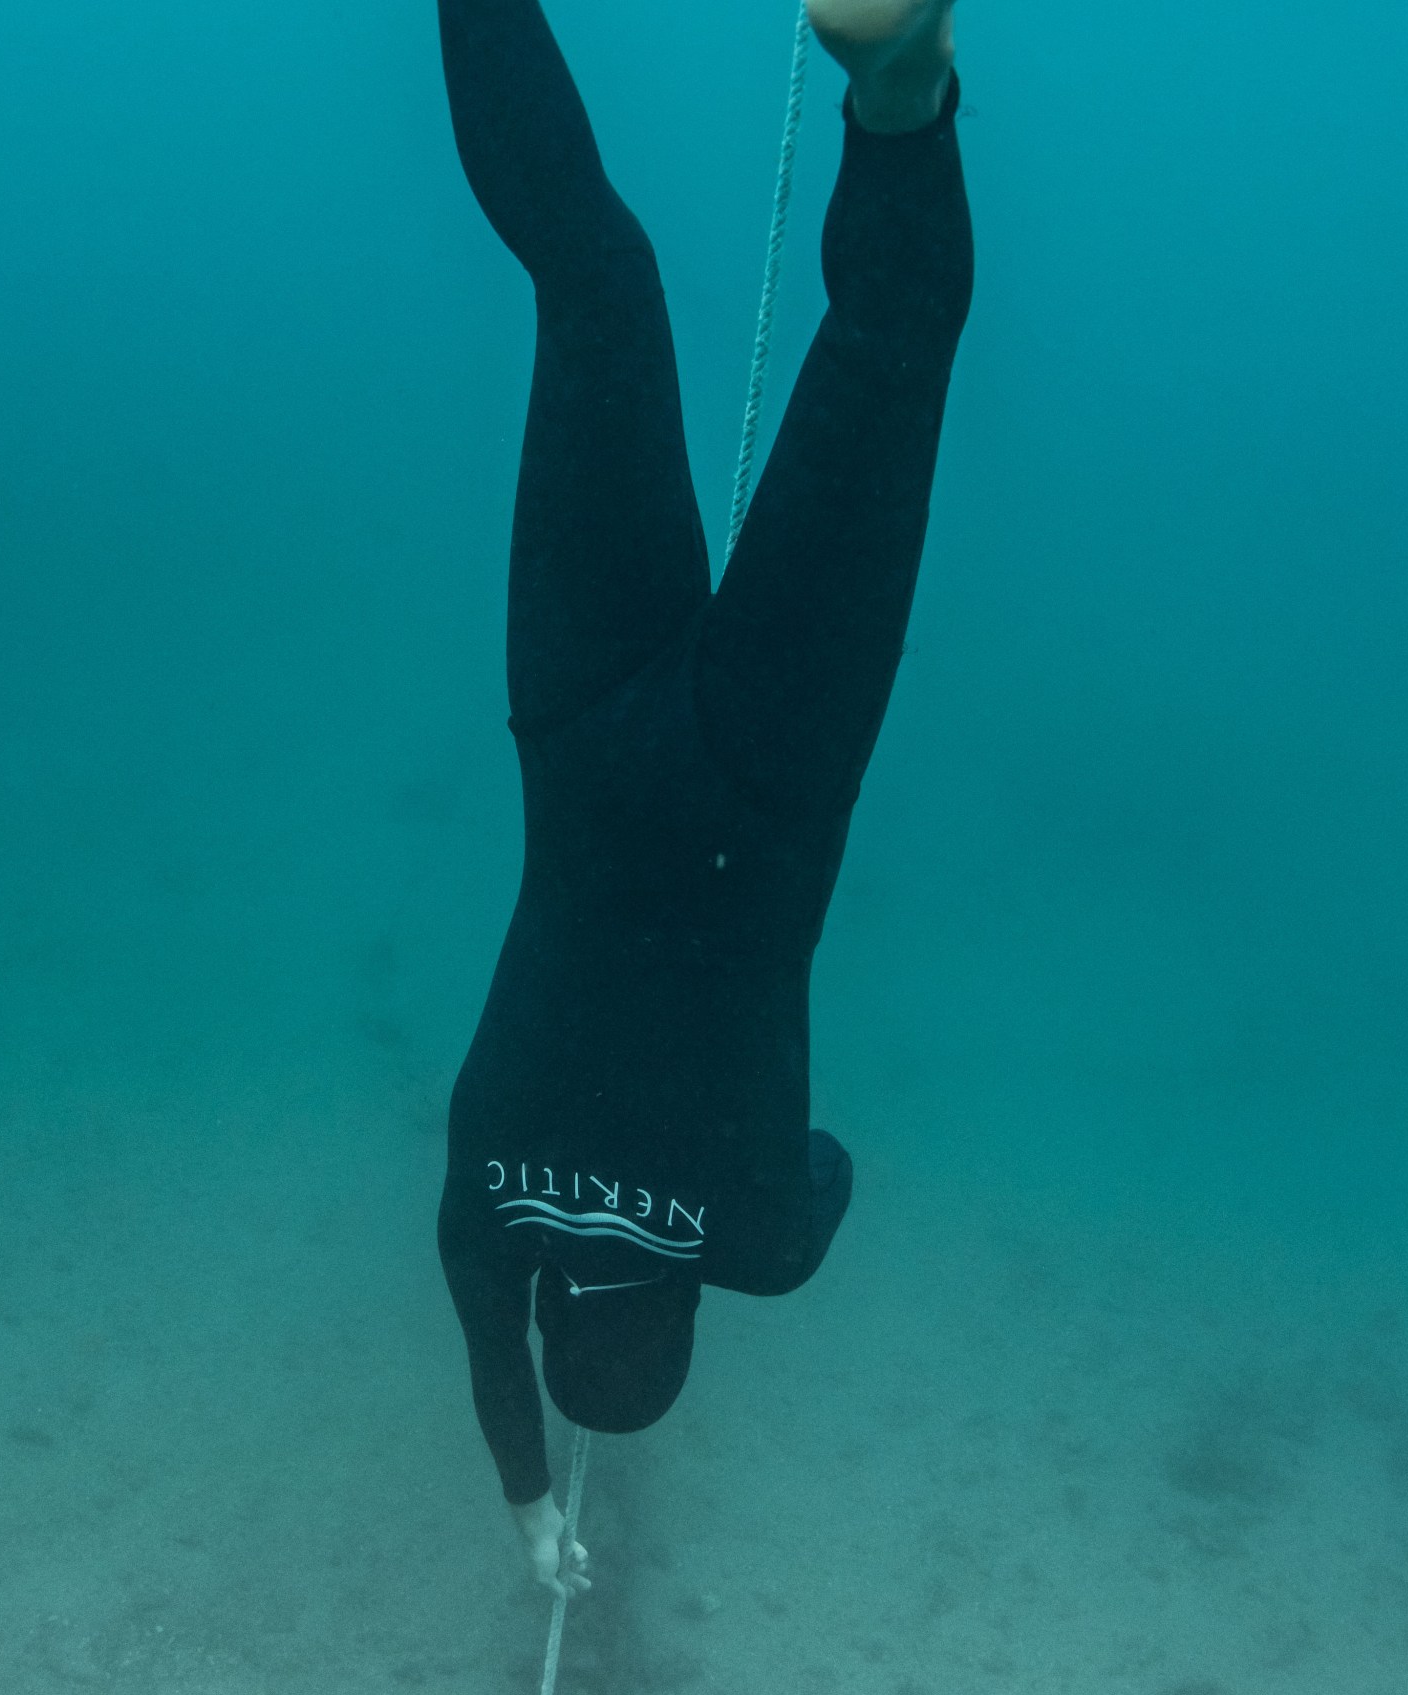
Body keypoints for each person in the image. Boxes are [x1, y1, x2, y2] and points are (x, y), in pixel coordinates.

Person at [433, 0, 972, 1597]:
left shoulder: (759, 1246)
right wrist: (531, 1508)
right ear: (548, 1306)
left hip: (768, 777)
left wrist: (696, 1224)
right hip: (584, 731)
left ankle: (898, 83)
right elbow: (490, 1357)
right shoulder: (481, 1208)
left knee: (888, 348)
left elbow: (830, 1168)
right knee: (594, 278)